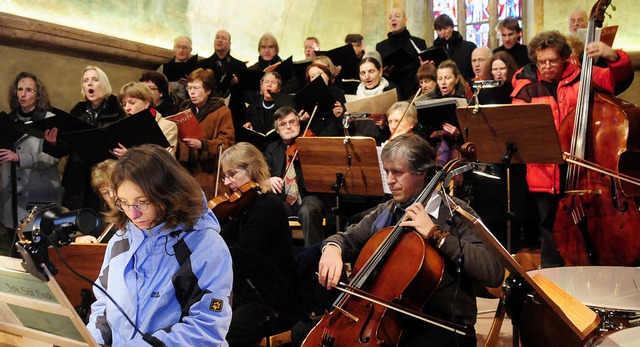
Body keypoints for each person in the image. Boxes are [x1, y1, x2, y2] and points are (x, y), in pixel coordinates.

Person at [317, 133, 504, 347]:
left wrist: (436, 234)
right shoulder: (389, 209)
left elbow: (493, 271)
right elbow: (346, 238)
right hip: (392, 320)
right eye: (386, 171)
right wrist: (332, 248)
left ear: (421, 173)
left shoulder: (455, 214)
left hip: (443, 325)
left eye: (397, 173)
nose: (389, 181)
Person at [86, 144, 232, 346]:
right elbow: (103, 306)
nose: (132, 214)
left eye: (142, 201)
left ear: (168, 193)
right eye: (124, 202)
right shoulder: (120, 240)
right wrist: (91, 341)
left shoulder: (205, 245)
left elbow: (206, 327)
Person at [511, 30, 634, 267]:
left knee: (592, 222)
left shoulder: (583, 77)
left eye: (553, 61)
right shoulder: (526, 88)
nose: (547, 66)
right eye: (542, 62)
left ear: (565, 58)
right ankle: (552, 280)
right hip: (544, 172)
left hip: (584, 168)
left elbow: (617, 78)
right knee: (550, 227)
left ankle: (594, 269)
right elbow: (520, 127)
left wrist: (614, 56)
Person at [218, 142, 302, 346]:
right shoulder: (242, 207)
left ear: (252, 170)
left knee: (223, 336)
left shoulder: (268, 206)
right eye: (224, 176)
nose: (227, 182)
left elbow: (245, 255)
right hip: (245, 294)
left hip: (270, 300)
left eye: (232, 174)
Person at [44, 66, 126, 211]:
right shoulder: (77, 112)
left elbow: (127, 141)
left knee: (106, 219)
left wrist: (126, 153)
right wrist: (54, 143)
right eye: (85, 80)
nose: (89, 84)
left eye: (95, 80)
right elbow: (66, 146)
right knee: (79, 224)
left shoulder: (117, 111)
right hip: (78, 177)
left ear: (104, 84)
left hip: (106, 175)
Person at [1, 72, 62, 237]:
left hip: (38, 195)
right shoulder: (9, 120)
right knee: (14, 250)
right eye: (20, 89)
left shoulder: (49, 119)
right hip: (11, 197)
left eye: (29, 90)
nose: (23, 94)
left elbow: (53, 157)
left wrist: (20, 157)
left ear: (38, 94)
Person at [265, 106, 330, 247]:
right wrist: (268, 180)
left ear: (299, 123)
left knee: (309, 211)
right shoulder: (272, 148)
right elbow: (263, 174)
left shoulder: (310, 142)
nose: (288, 127)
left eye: (292, 122)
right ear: (277, 130)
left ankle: (313, 257)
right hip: (283, 198)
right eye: (283, 124)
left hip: (309, 196)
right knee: (272, 209)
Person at [177, 68, 235, 200]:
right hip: (185, 172)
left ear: (208, 90)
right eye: (189, 88)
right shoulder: (185, 110)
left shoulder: (221, 111)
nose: (192, 92)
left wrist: (202, 145)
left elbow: (227, 143)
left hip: (208, 174)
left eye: (196, 88)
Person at [198, 30, 248, 131]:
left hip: (233, 113)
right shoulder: (202, 65)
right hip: (207, 111)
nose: (220, 40)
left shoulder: (240, 66)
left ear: (229, 44)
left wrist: (237, 83)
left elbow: (245, 93)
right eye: (217, 37)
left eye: (223, 38)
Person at [375, 8, 427, 100]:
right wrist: (384, 72)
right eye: (390, 17)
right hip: (391, 91)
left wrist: (423, 67)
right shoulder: (381, 46)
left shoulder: (418, 43)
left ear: (405, 21)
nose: (393, 19)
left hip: (414, 90)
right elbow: (378, 73)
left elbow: (426, 69)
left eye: (397, 16)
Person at [115, 81, 178, 155]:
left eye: (132, 103)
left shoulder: (167, 126)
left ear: (147, 103)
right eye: (124, 104)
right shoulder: (123, 127)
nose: (127, 108)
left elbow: (164, 160)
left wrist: (129, 155)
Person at [427, 60, 469, 167]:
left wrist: (458, 134)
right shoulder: (430, 100)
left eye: (447, 78)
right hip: (435, 148)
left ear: (456, 79)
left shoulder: (465, 102)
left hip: (459, 148)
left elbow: (472, 134)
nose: (443, 82)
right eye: (440, 79)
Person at [300, 63, 346, 136]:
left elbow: (345, 122)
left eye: (320, 73)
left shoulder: (339, 93)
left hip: (335, 134)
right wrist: (302, 121)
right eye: (312, 76)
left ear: (327, 76)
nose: (317, 77)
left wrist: (341, 114)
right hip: (314, 136)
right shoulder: (305, 97)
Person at [432, 14, 476, 81]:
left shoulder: (469, 47)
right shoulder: (433, 51)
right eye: (440, 30)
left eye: (446, 28)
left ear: (452, 27)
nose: (443, 32)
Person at [243, 71, 287, 137]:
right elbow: (248, 119)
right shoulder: (255, 103)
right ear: (262, 86)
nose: (269, 85)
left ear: (279, 88)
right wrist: (247, 124)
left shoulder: (284, 105)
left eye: (273, 83)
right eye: (266, 82)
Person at [157, 36, 195, 102]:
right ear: (174, 48)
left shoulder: (196, 70)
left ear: (190, 50)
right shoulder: (163, 68)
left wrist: (190, 85)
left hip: (188, 105)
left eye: (185, 47)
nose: (181, 50)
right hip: (167, 104)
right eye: (178, 47)